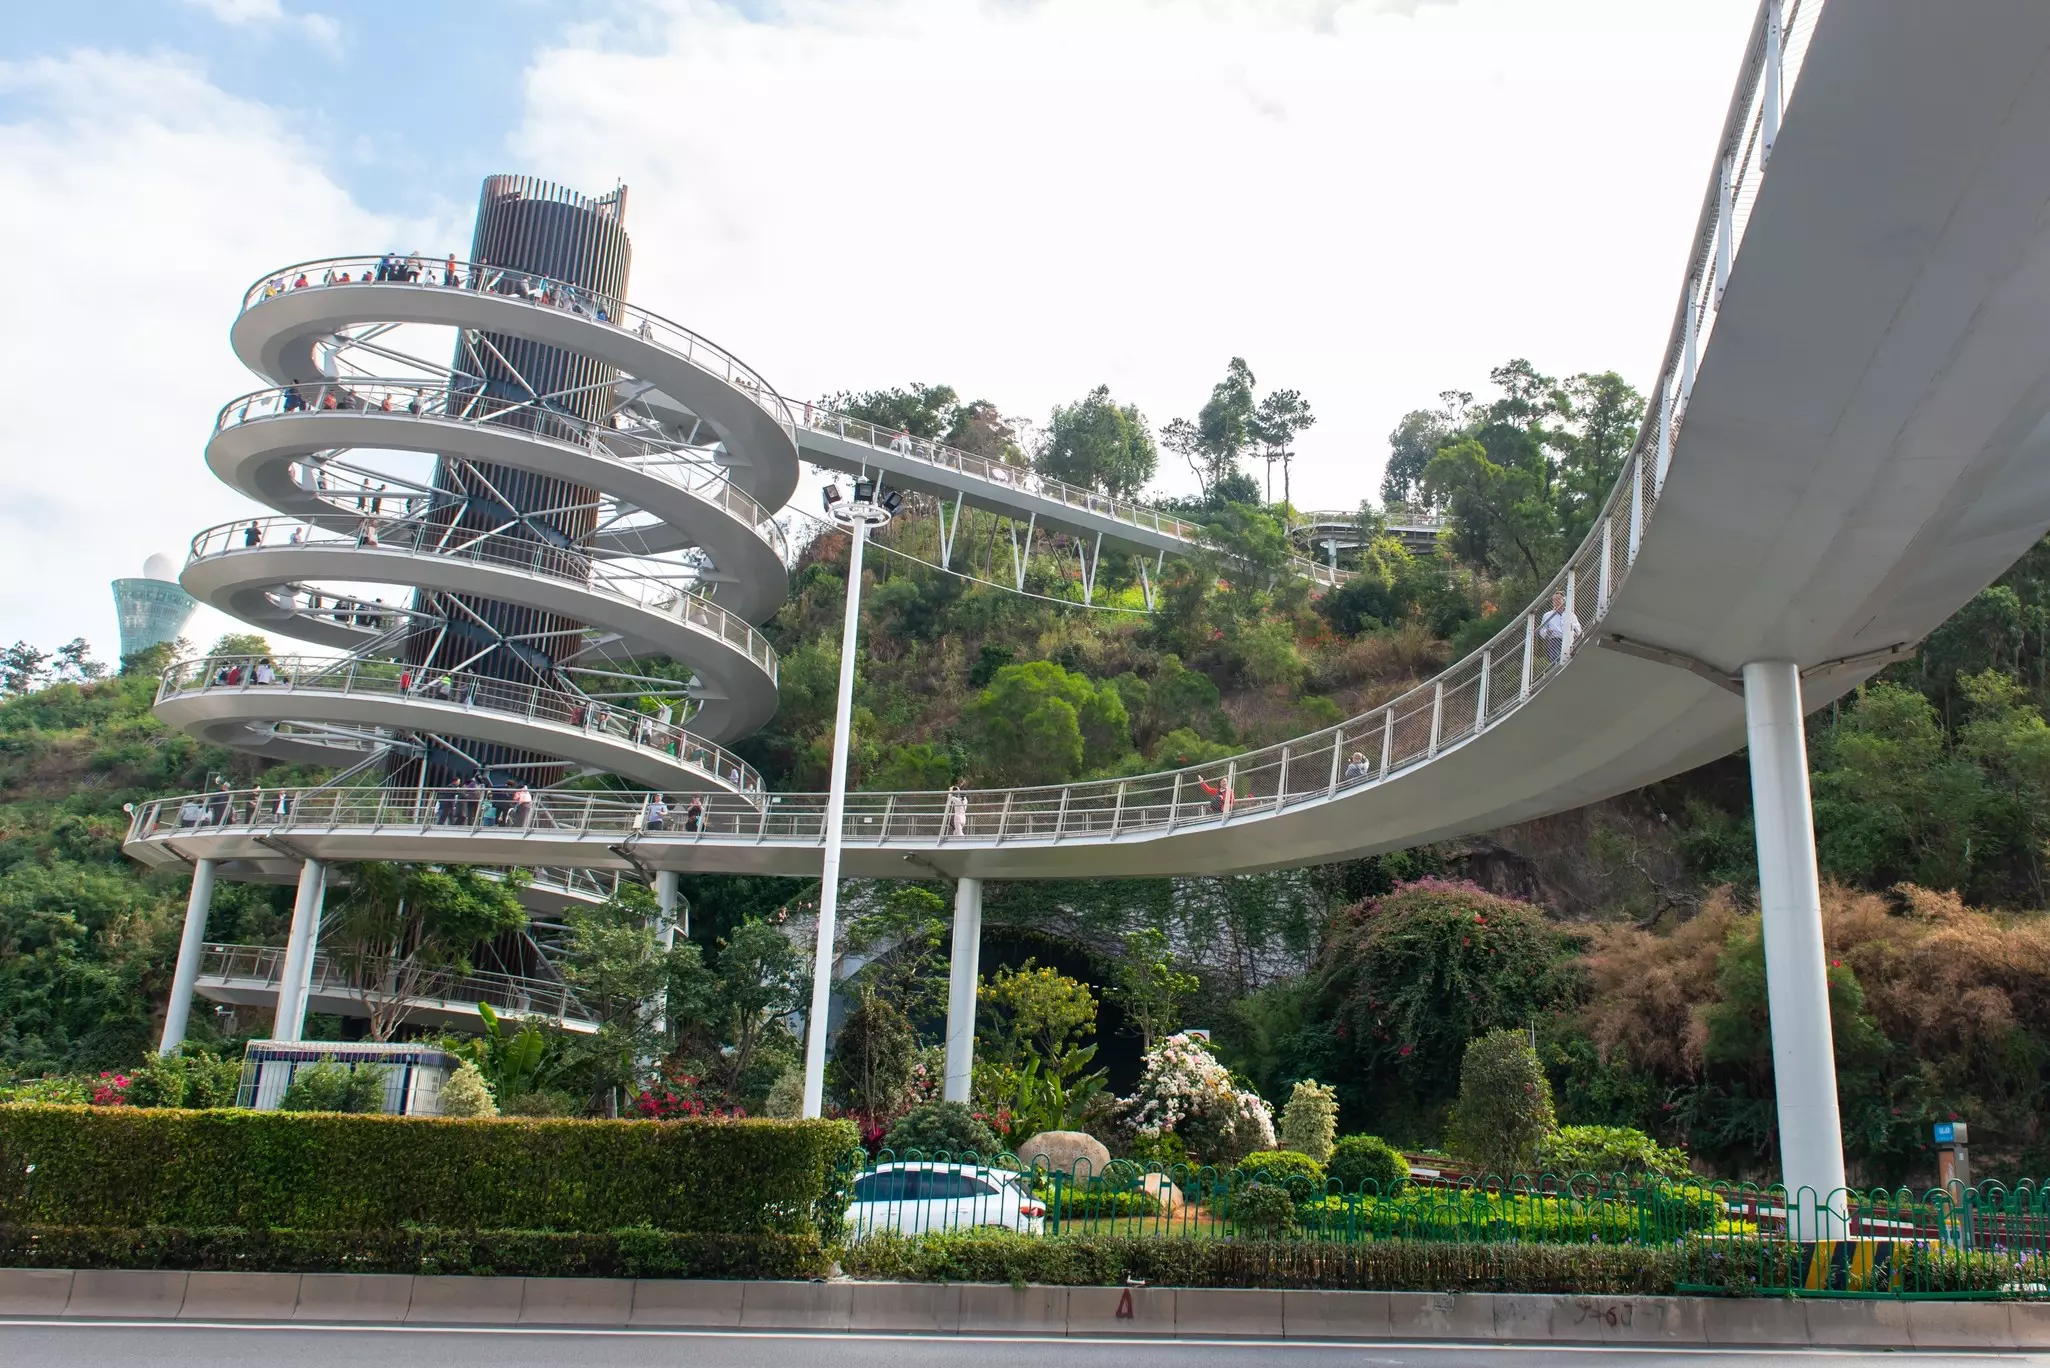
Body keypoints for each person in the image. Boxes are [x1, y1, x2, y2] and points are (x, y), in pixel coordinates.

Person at [1538, 591, 1582, 666]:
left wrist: (1575, 633)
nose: (1556, 602)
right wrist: (1547, 632)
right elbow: (1541, 631)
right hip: (1555, 641)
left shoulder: (1571, 615)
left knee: (1571, 661)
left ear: (1564, 600)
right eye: (1554, 600)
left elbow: (1578, 629)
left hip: (1570, 641)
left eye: (1558, 599)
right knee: (1557, 661)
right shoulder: (1547, 616)